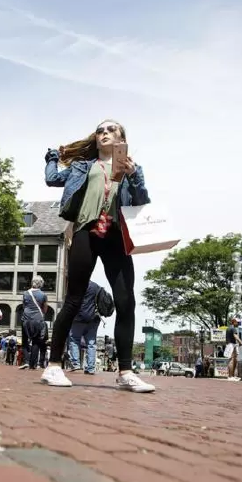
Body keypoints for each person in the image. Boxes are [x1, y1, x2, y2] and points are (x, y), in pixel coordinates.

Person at [43, 119, 154, 393]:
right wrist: (52, 157)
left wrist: (134, 175)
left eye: (110, 130)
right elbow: (52, 178)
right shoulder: (84, 166)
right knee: (74, 299)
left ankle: (126, 372)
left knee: (126, 301)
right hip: (86, 231)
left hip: (116, 234)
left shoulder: (131, 169)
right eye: (100, 130)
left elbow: (141, 201)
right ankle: (54, 366)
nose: (104, 133)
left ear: (121, 138)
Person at [67, 281, 106, 375]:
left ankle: (75, 365)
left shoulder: (76, 285)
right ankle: (91, 368)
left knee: (74, 339)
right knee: (91, 343)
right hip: (94, 318)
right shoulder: (96, 286)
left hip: (79, 318)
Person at [19, 276, 48, 370]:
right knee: (36, 341)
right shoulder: (43, 295)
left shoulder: (25, 293)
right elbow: (45, 309)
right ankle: (32, 365)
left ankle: (26, 361)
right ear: (41, 284)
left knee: (25, 341)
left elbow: (24, 305)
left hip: (26, 319)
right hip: (37, 320)